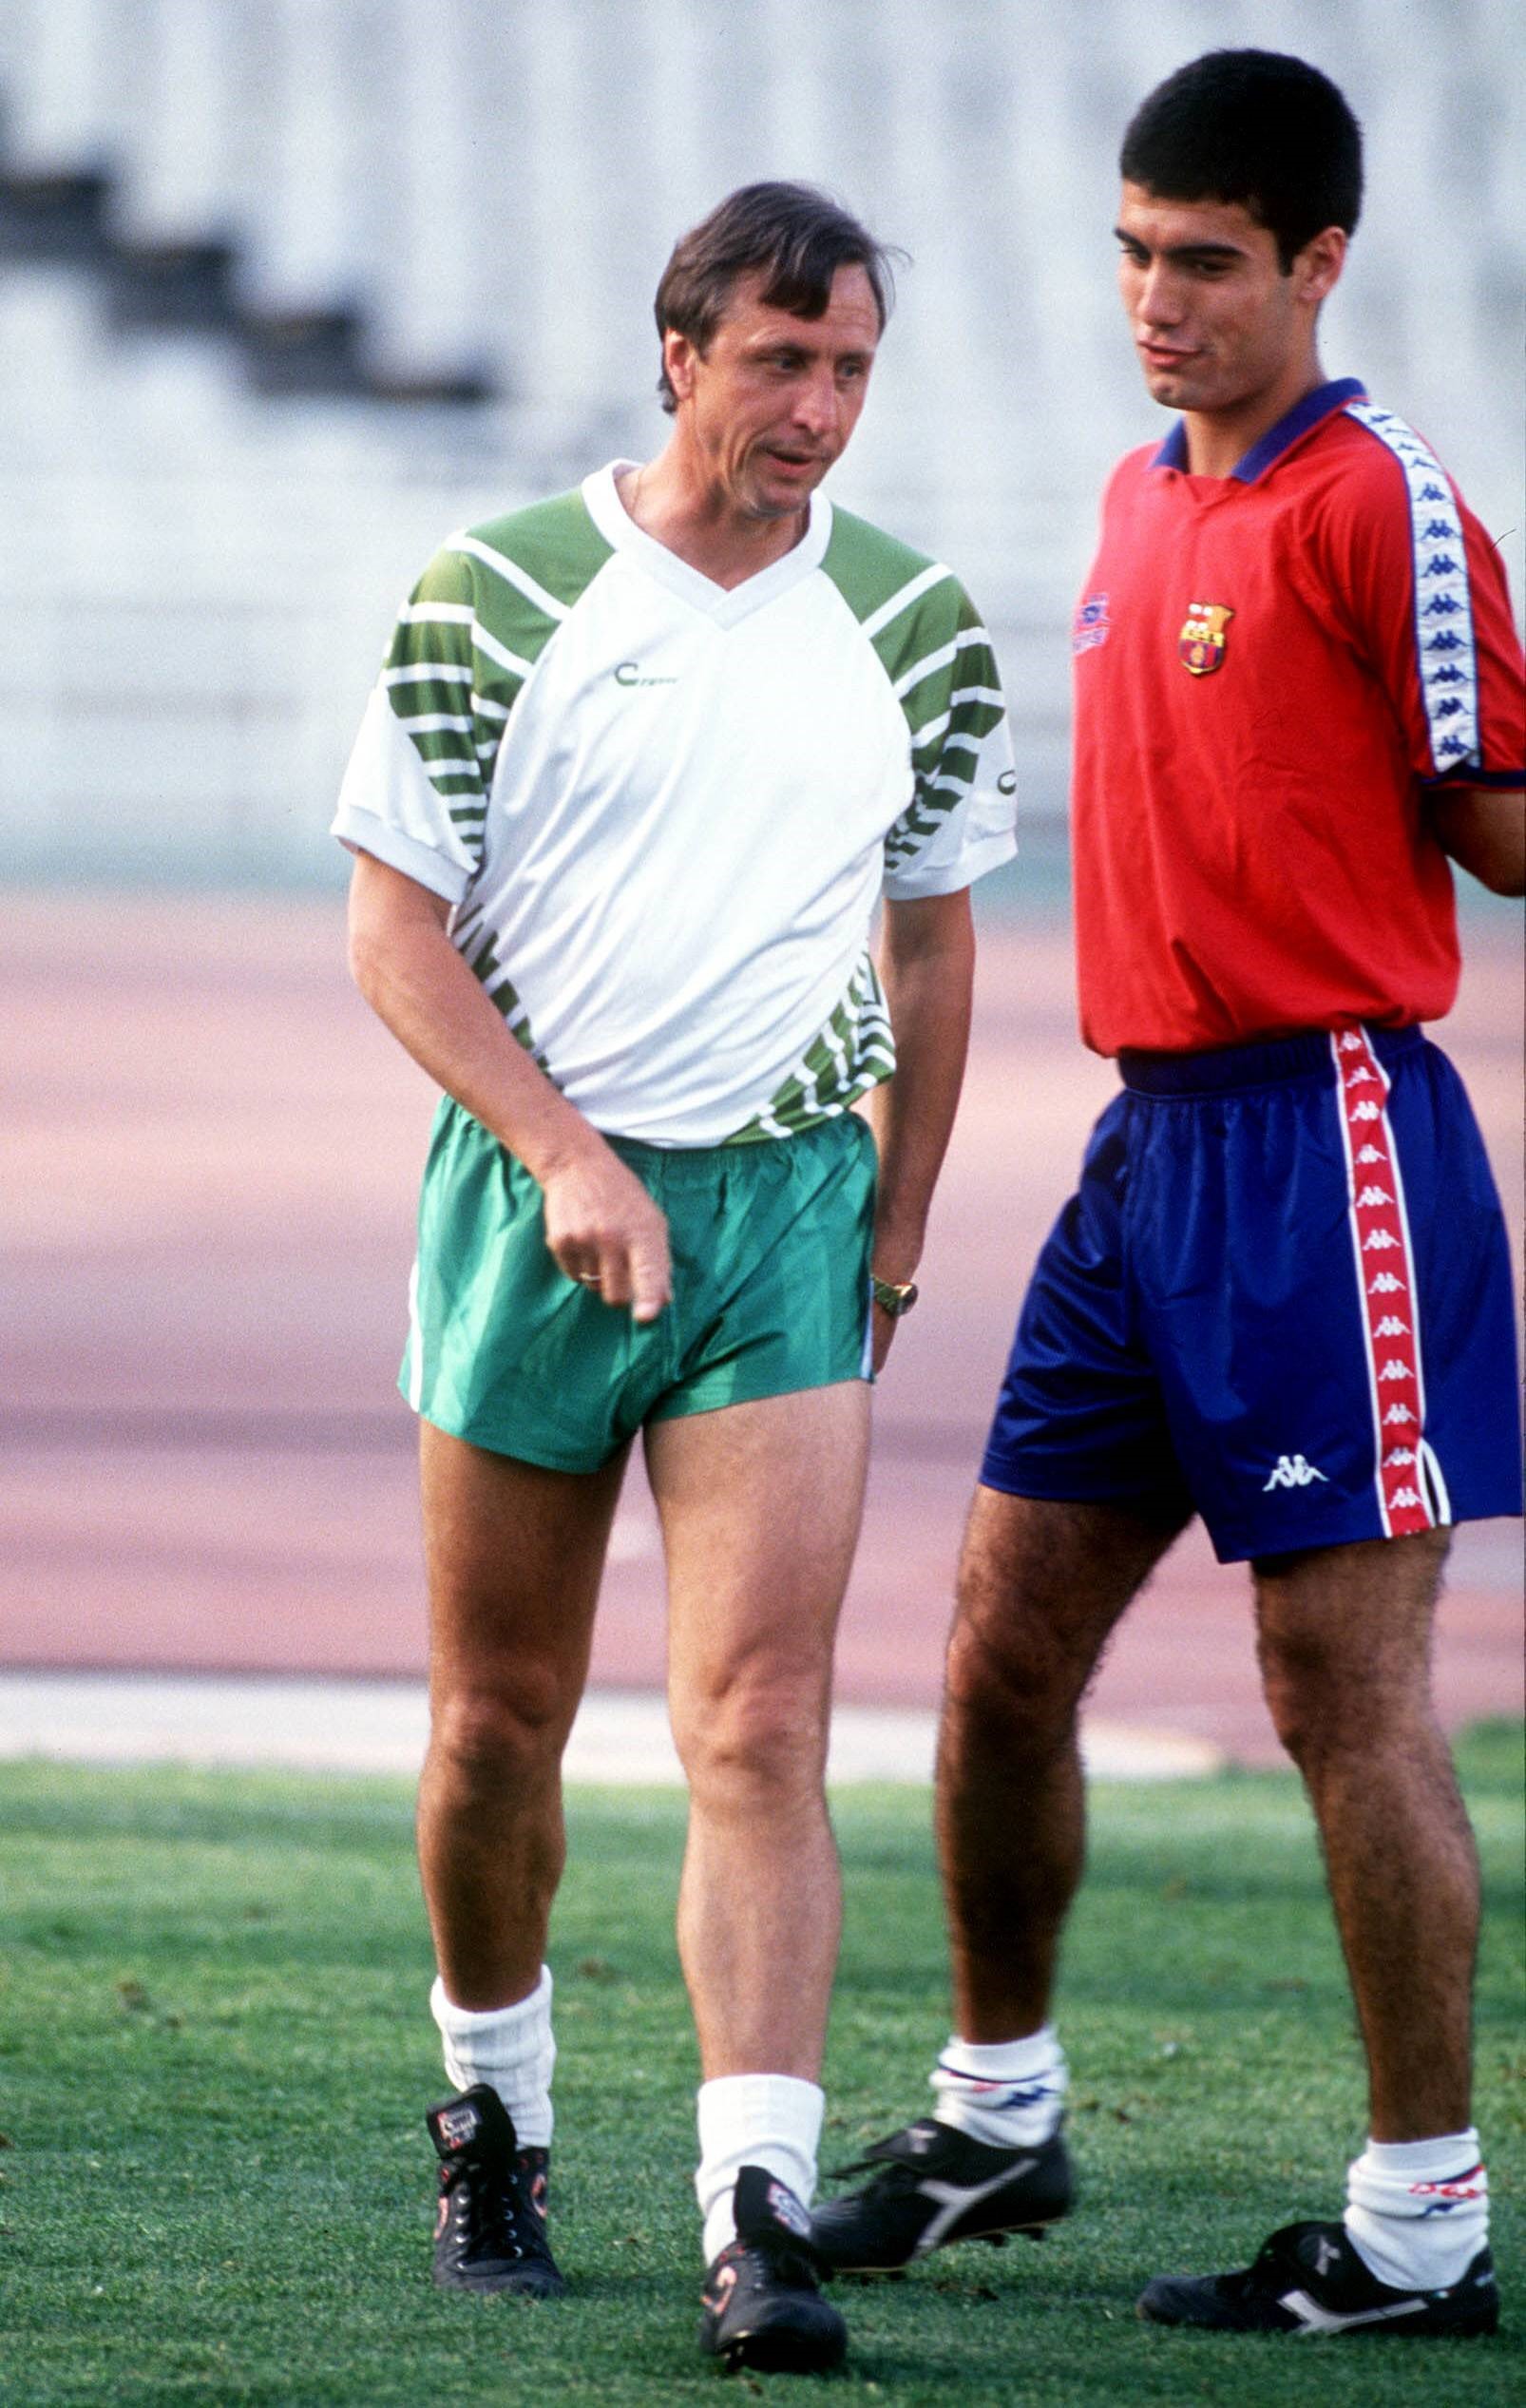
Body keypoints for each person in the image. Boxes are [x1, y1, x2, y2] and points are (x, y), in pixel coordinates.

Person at [812, 49, 1524, 2341]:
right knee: (997, 1651)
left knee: (1338, 1690)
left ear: (1314, 263)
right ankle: (992, 2112)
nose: (1152, 300)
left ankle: (1420, 2226)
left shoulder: (1380, 503)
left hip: (1329, 1144)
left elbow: (1505, 818)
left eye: (1201, 261)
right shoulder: (1134, 497)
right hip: (1144, 1159)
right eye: (1129, 254)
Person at [333, 181, 1017, 2375]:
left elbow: (929, 935)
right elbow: (391, 933)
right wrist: (560, 1155)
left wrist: (897, 1219)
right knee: (495, 1725)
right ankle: (494, 2118)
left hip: (787, 1219)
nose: (814, 409)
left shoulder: (911, 622)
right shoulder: (497, 590)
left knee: (760, 1722)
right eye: (778, 361)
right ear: (679, 352)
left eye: (847, 372)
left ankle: (755, 2209)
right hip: (531, 1213)